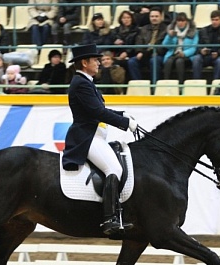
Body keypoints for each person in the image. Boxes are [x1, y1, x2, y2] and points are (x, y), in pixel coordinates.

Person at [62, 44, 137, 235]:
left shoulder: (86, 82)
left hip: (95, 135)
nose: (98, 63)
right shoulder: (81, 83)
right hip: (86, 137)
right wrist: (124, 122)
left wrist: (122, 114)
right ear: (84, 62)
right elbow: (98, 112)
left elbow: (99, 110)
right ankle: (109, 219)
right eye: (95, 60)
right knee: (114, 169)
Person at [127, 7, 167, 84]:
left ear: (161, 17)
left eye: (156, 16)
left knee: (154, 60)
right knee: (132, 61)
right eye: (152, 16)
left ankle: (154, 85)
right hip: (145, 53)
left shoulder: (166, 29)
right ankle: (139, 84)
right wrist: (139, 51)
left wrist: (152, 51)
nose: (154, 18)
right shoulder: (144, 29)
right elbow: (139, 41)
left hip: (158, 54)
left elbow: (163, 46)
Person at [191, 10, 220, 82]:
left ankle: (216, 85)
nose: (214, 22)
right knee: (196, 58)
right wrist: (201, 50)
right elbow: (199, 45)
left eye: (216, 20)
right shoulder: (203, 30)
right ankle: (197, 83)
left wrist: (218, 53)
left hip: (219, 56)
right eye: (213, 20)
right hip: (205, 56)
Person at [162, 12, 198, 85]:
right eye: (179, 21)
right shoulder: (171, 30)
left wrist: (184, 53)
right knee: (168, 61)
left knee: (179, 61)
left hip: (187, 56)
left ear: (186, 21)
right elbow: (165, 45)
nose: (180, 23)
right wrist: (170, 36)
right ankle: (166, 84)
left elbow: (193, 48)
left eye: (182, 21)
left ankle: (181, 85)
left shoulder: (194, 31)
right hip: (173, 53)